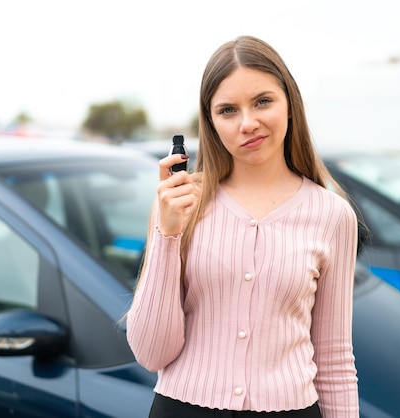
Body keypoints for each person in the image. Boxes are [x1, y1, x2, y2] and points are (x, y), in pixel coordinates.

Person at [126, 35, 360, 418]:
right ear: (211, 121)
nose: (248, 123)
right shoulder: (181, 203)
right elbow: (152, 353)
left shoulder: (332, 214)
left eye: (263, 102)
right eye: (228, 110)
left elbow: (334, 359)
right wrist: (167, 235)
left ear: (289, 105)